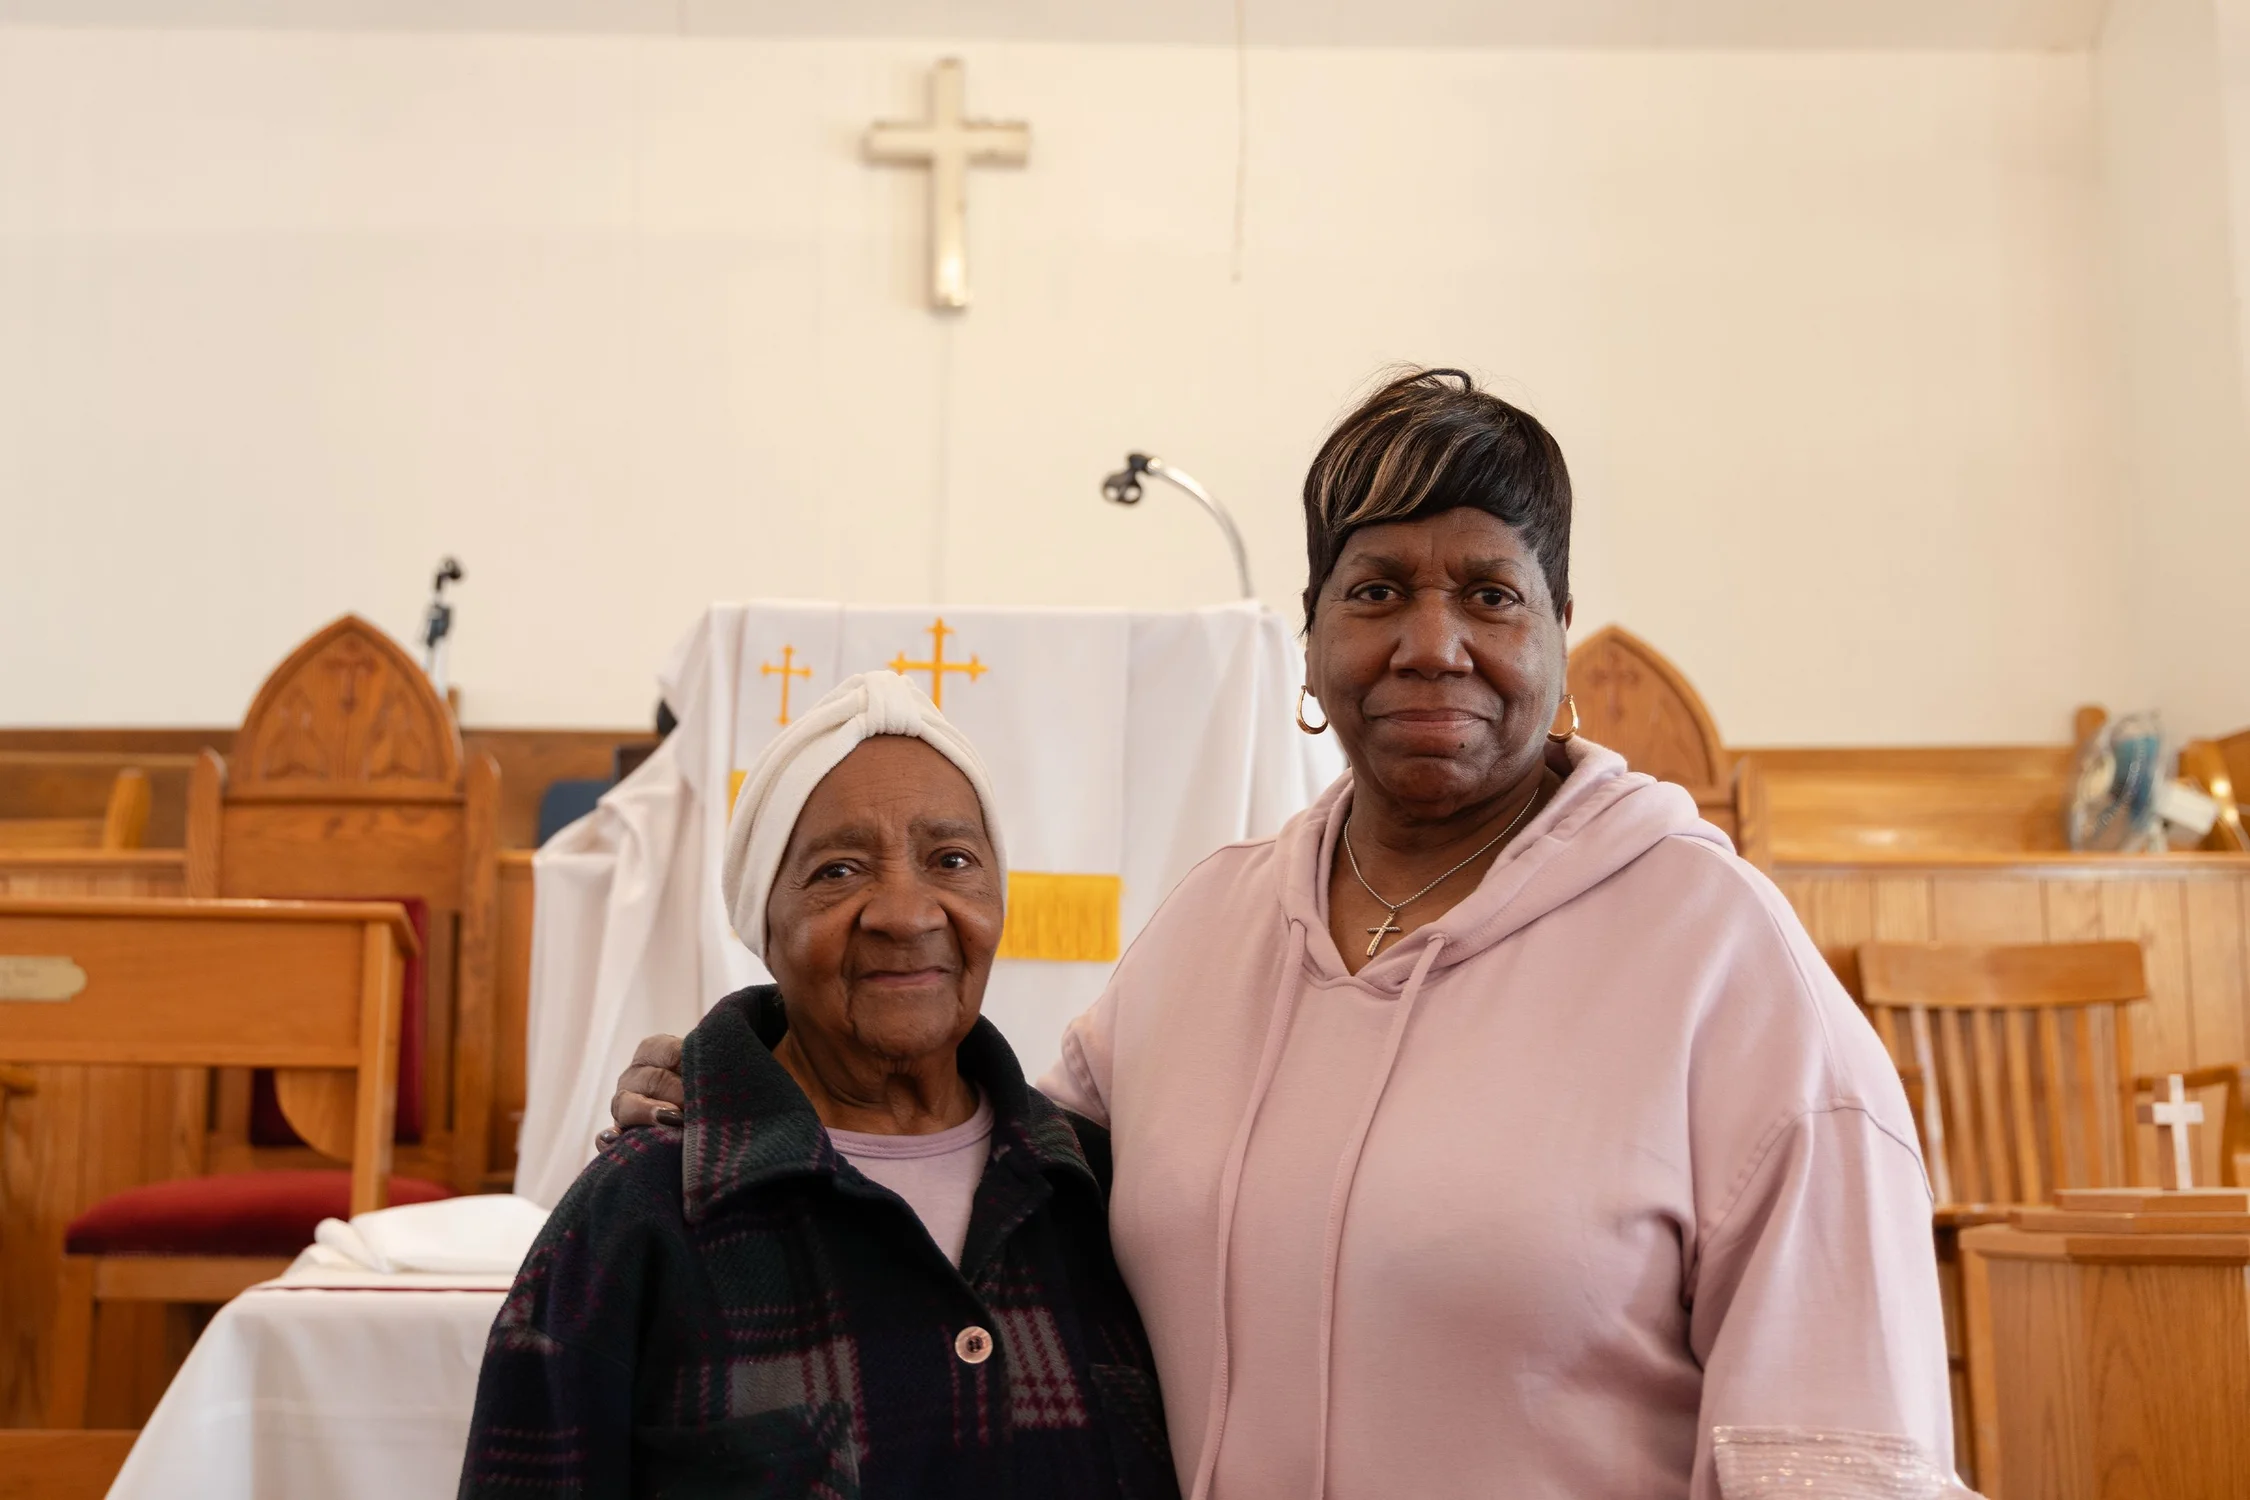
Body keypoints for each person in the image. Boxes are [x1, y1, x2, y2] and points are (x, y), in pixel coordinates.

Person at [612, 370, 1953, 1498]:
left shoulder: (1719, 963)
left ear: (1558, 646)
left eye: (1488, 591)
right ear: (1307, 649)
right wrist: (752, 1090)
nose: (1431, 643)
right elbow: (1001, 1184)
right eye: (1375, 590)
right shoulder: (1214, 925)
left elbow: (1837, 1449)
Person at [464, 672, 1177, 1500]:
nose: (907, 914)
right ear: (763, 925)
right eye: (838, 872)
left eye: (952, 860)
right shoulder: (640, 1215)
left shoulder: (1097, 1192)